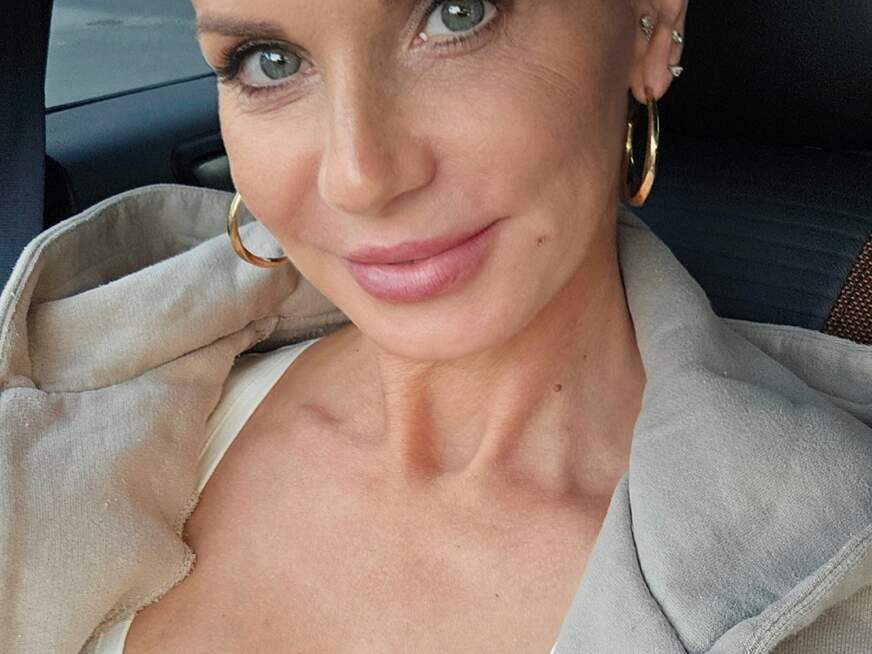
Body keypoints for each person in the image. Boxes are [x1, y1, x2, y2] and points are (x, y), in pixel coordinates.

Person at [0, 1, 870, 652]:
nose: (358, 177)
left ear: (649, 25)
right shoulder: (87, 375)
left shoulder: (829, 575)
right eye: (269, 61)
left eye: (458, 14)